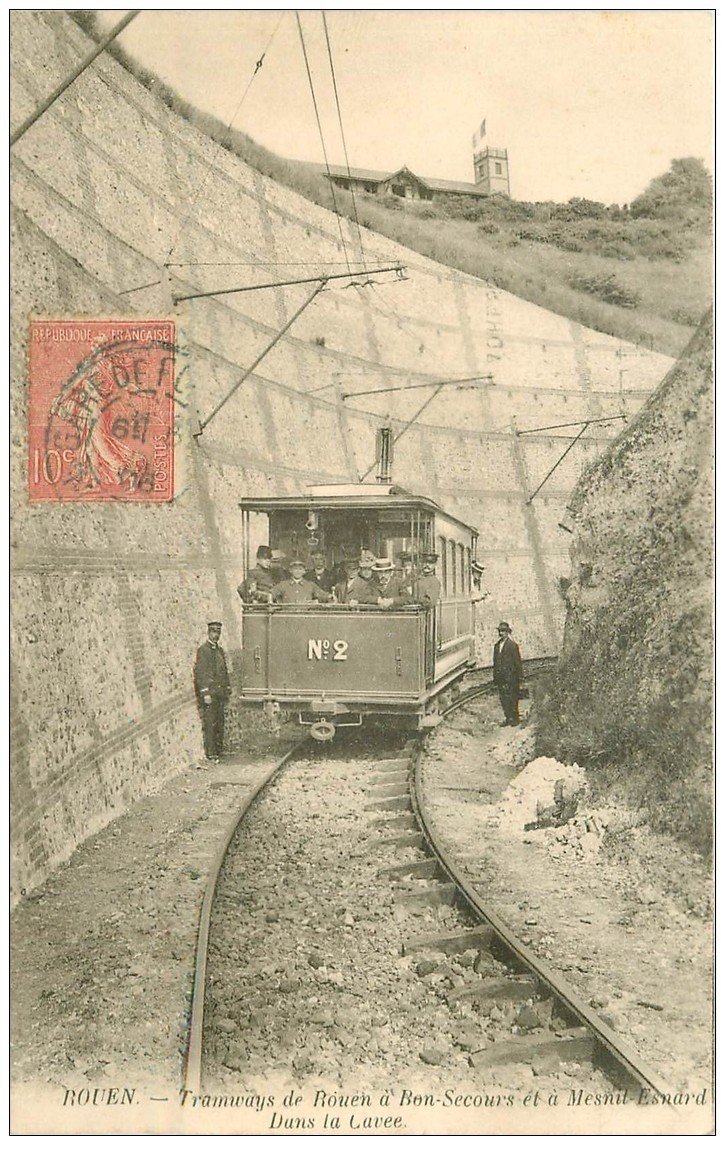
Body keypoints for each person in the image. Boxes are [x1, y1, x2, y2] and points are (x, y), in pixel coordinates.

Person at [193, 620, 231, 763]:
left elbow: (224, 672)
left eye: (218, 632)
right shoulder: (203, 650)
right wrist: (205, 693)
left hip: (220, 693)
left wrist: (227, 688)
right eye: (214, 632)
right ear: (209, 632)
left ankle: (219, 749)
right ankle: (211, 752)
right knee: (210, 722)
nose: (216, 635)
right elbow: (201, 674)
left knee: (220, 721)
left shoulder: (220, 650)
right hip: (210, 694)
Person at [493, 621, 523, 726]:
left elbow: (517, 662)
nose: (501, 633)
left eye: (503, 631)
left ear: (507, 632)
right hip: (501, 677)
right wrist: (495, 677)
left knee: (513, 697)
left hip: (511, 676)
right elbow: (495, 663)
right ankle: (508, 717)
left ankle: (515, 719)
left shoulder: (512, 645)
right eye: (500, 631)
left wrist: (520, 677)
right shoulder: (497, 646)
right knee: (503, 698)